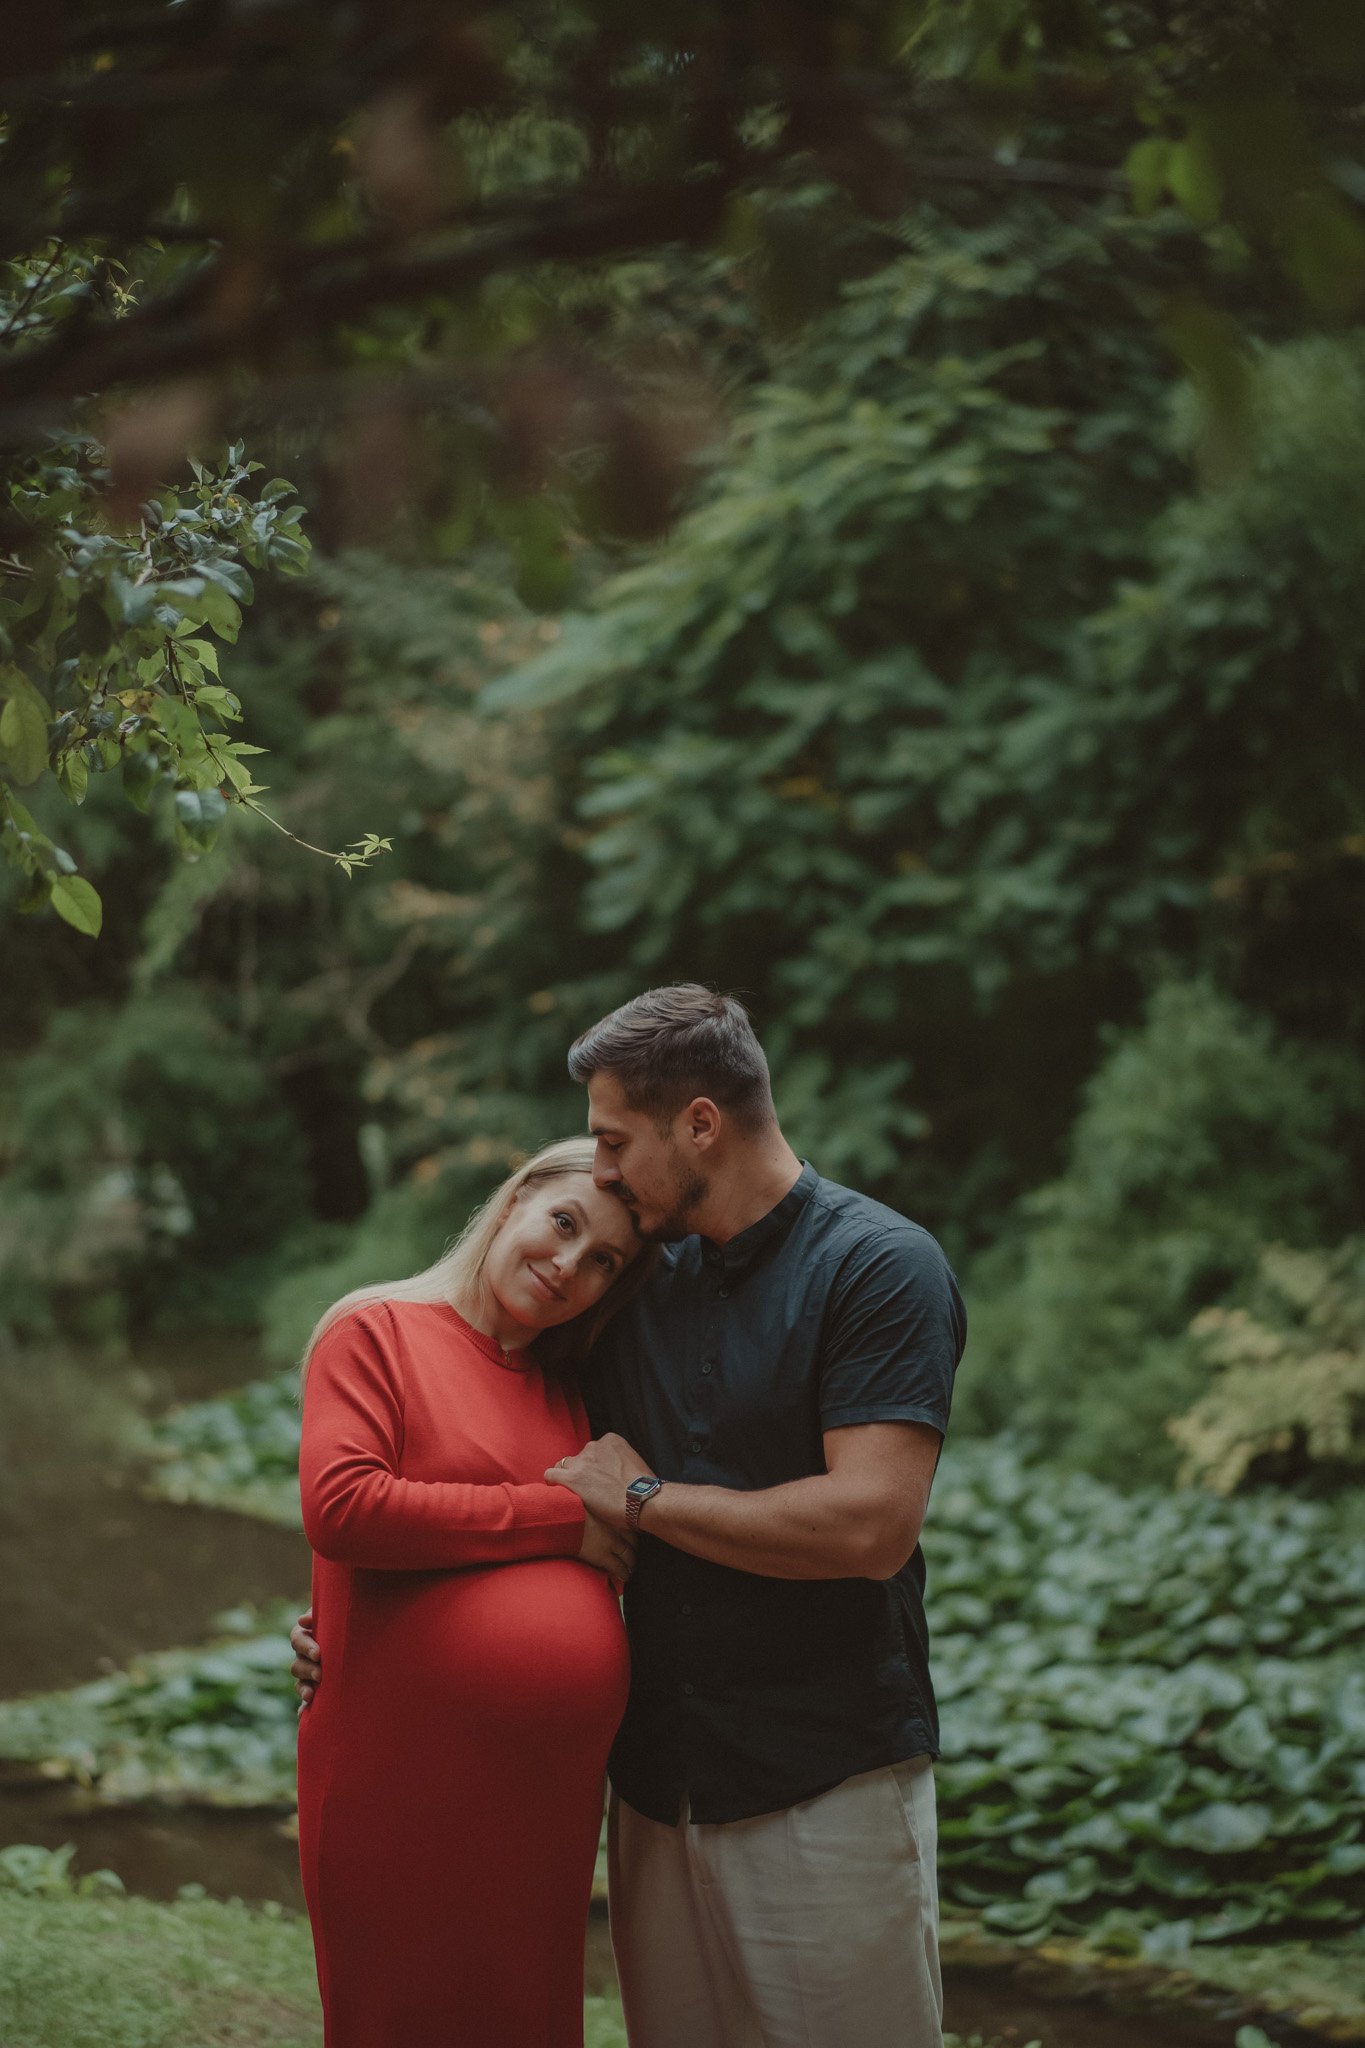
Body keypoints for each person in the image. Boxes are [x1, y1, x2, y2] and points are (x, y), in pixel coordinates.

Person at [294, 986, 966, 2048]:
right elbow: (450, 1447)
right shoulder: (634, 1284)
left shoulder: (878, 1266)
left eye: (614, 1139)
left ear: (699, 1122)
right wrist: (357, 1621)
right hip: (652, 1784)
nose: (600, 1169)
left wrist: (640, 1502)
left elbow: (870, 1525)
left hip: (818, 1770)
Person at [294, 1137, 649, 2048]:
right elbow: (346, 1509)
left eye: (603, 1259)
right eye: (562, 1224)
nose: (568, 1264)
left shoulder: (572, 1389)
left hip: (541, 1806)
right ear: (513, 1201)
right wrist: (559, 1519)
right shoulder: (373, 1330)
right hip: (400, 1782)